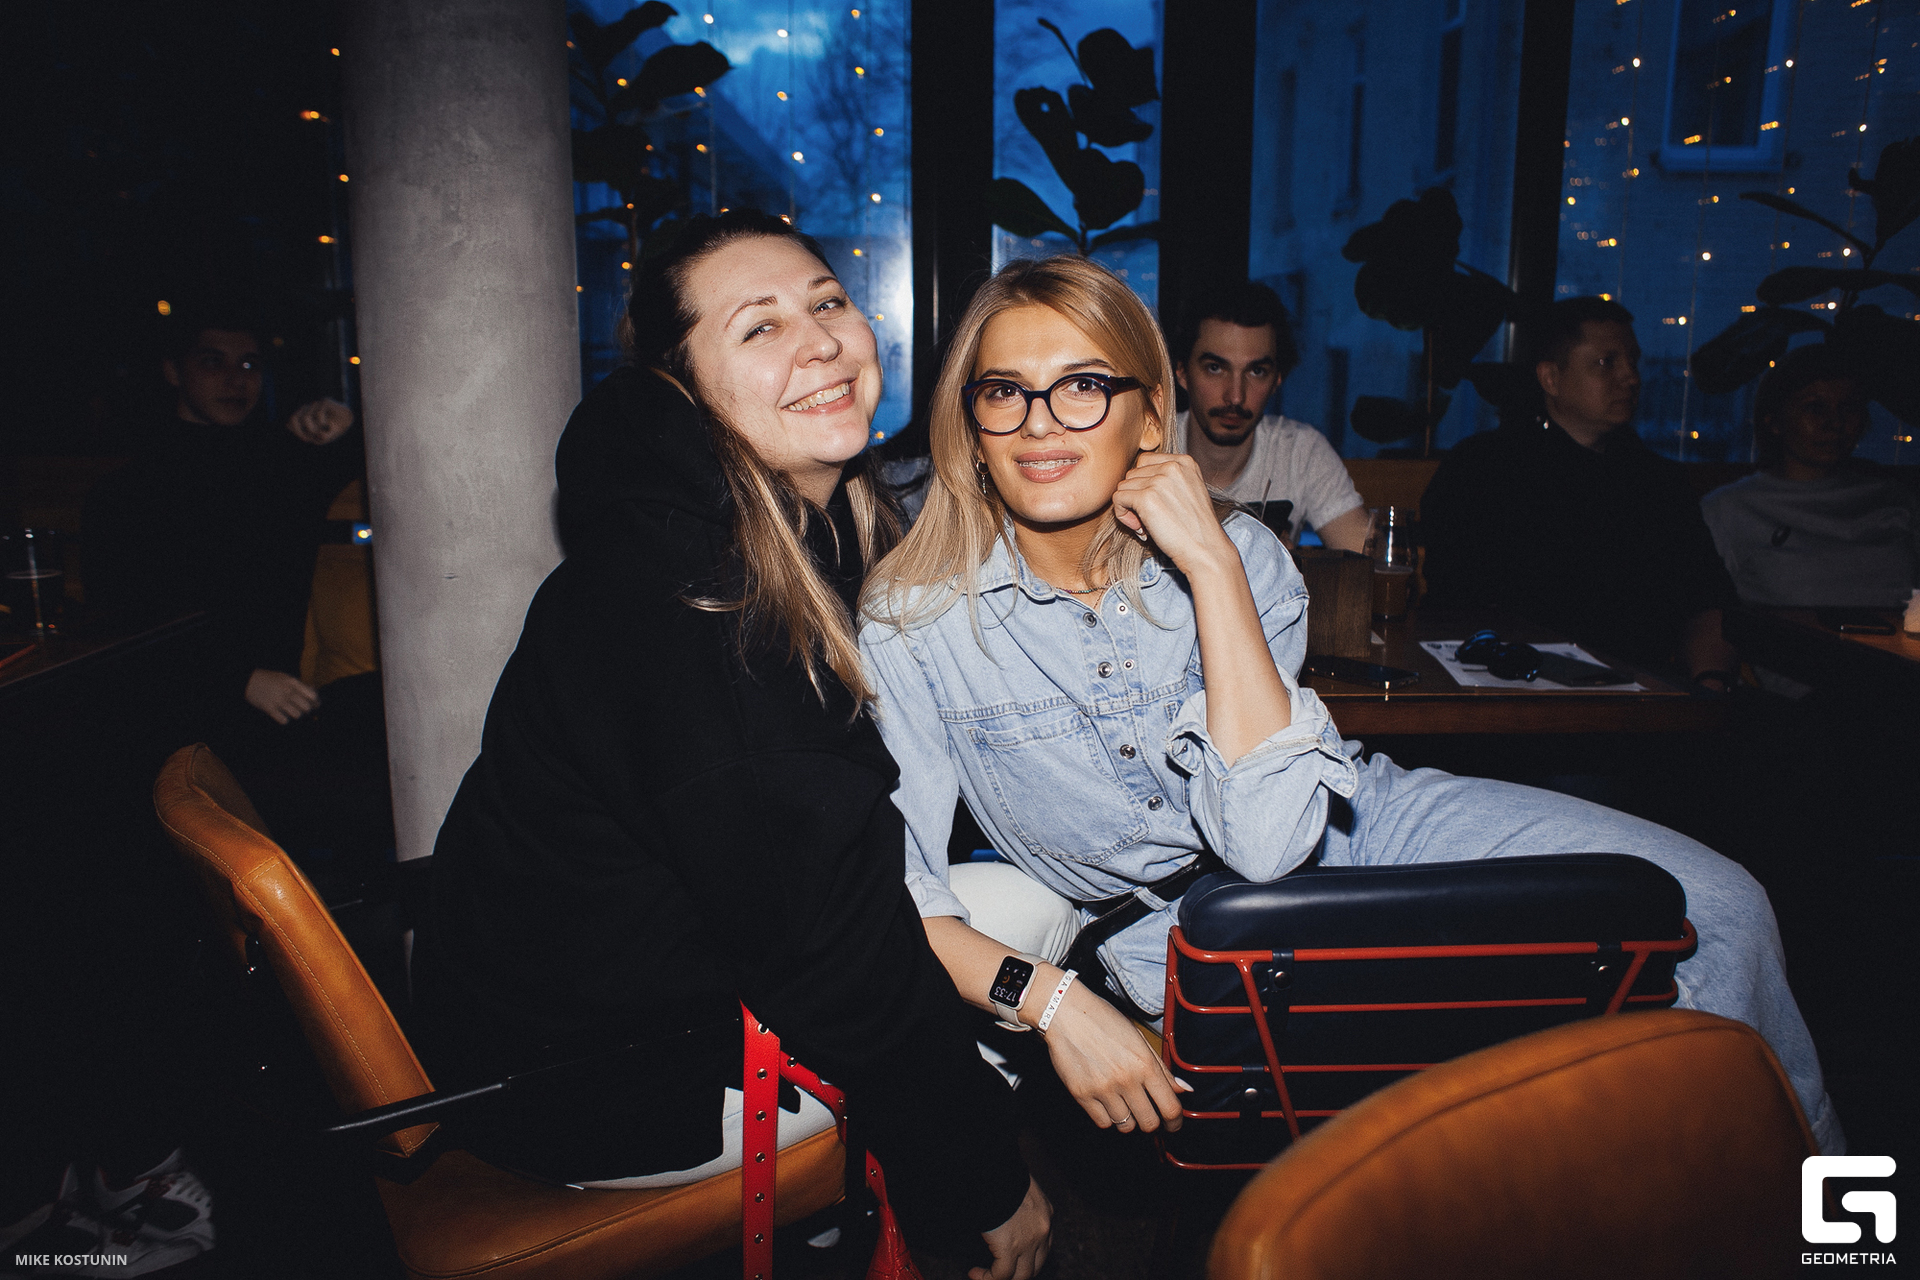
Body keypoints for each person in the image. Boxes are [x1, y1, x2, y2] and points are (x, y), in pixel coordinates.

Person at [856, 256, 1843, 1155]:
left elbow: (1272, 833)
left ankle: (1816, 1227)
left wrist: (1210, 562)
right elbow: (897, 884)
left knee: (1720, 908)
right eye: (1004, 391)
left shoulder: (1241, 559)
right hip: (1171, 930)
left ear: (1151, 417)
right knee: (1447, 1121)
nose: (1038, 423)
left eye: (1081, 386)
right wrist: (1053, 1000)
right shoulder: (914, 617)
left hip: (1359, 821)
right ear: (971, 426)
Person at [410, 210, 1048, 1280]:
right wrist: (986, 1174)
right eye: (760, 327)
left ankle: (844, 1217)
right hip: (599, 1091)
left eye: (828, 302)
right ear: (683, 386)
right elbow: (833, 949)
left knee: (974, 914)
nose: (821, 341)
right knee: (1028, 914)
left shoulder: (754, 527)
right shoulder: (704, 600)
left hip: (577, 1018)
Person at [1421, 296, 1742, 691]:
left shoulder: (1658, 482)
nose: (1631, 378)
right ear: (1551, 378)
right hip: (1512, 687)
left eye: (1633, 362)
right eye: (1606, 363)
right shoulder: (1483, 470)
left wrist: (1709, 686)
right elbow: (1458, 606)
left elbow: (1707, 601)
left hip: (1646, 694)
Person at [84, 312, 361, 727]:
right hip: (172, 701)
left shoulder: (286, 462)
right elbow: (123, 623)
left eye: (249, 364)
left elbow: (386, 457)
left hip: (284, 708)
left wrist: (344, 417)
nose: (236, 380)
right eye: (212, 362)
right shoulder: (128, 491)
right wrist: (239, 679)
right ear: (173, 371)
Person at [1702, 343, 1919, 609]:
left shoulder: (1896, 500)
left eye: (1848, 408)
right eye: (1815, 408)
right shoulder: (1730, 509)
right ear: (1774, 421)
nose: (1835, 423)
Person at [1167, 280, 1370, 552]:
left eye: (1256, 371)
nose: (1235, 396)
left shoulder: (1299, 451)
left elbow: (1368, 559)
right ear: (1182, 371)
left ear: (1277, 379)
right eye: (1215, 368)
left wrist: (1290, 565)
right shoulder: (1151, 449)